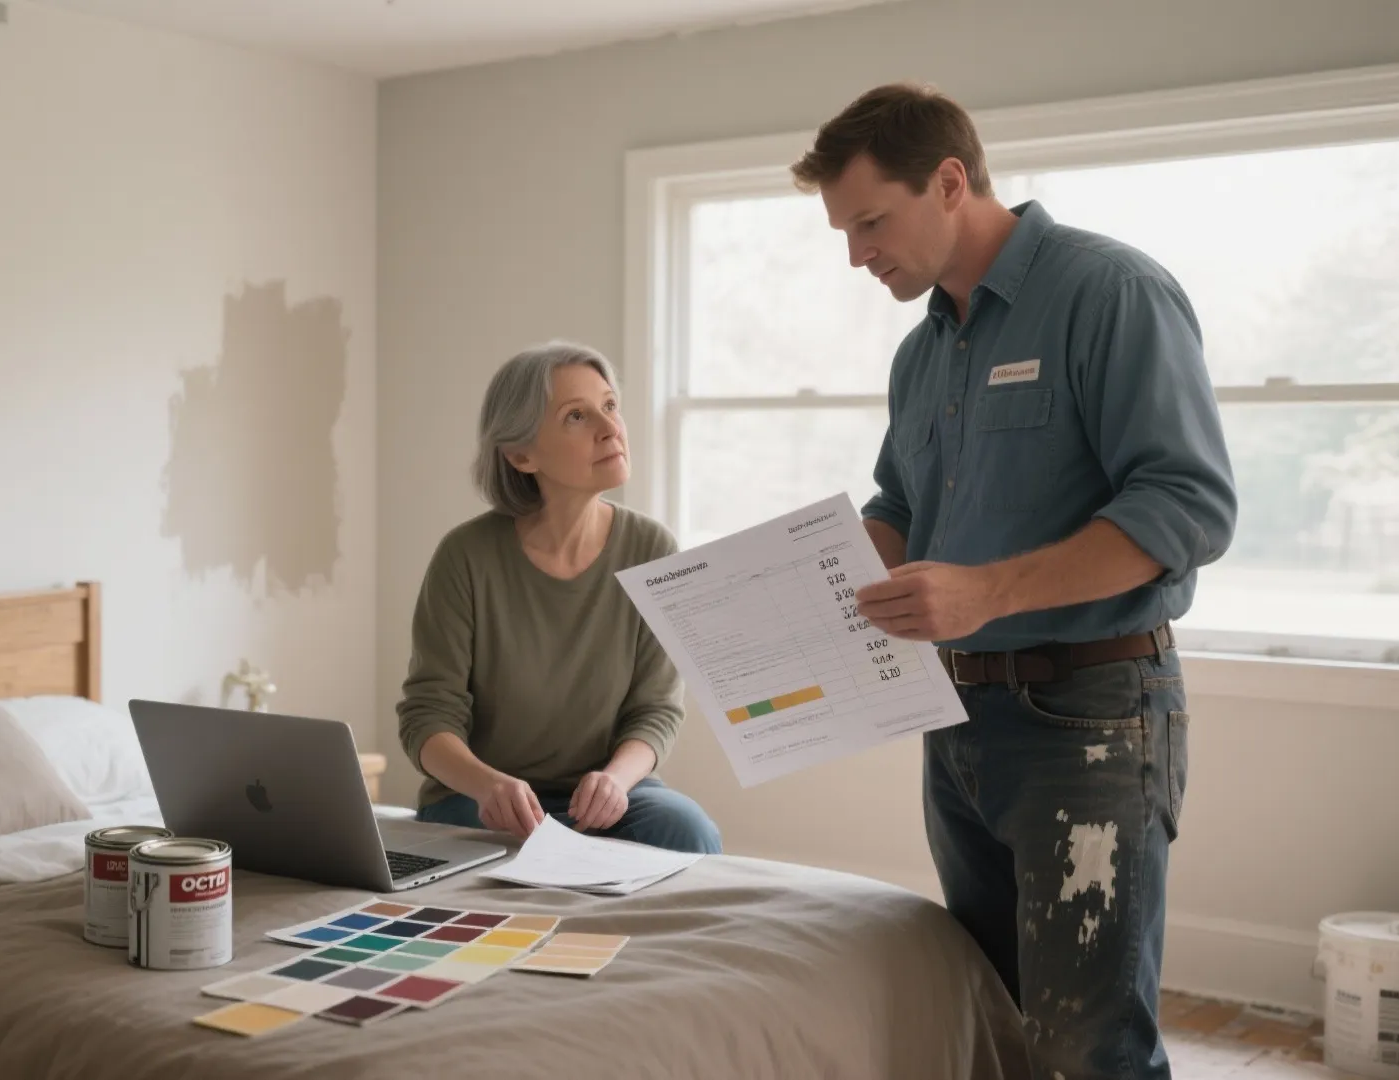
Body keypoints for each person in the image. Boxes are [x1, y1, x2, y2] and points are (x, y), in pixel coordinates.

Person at [790, 83, 1237, 1079]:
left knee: (1089, 1045)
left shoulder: (1109, 292)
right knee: (994, 1013)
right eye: (844, 230)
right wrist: (825, 567)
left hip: (1089, 719)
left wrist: (988, 592)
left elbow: (1187, 507)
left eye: (870, 221)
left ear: (950, 182)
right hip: (958, 724)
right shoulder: (923, 353)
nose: (857, 254)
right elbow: (902, 503)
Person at [394, 341, 722, 855]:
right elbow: (427, 719)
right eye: (576, 416)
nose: (610, 427)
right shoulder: (465, 556)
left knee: (687, 830)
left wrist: (614, 781)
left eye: (610, 406)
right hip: (479, 799)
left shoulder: (653, 549)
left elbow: (656, 711)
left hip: (607, 795)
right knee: (503, 857)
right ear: (521, 454)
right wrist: (487, 786)